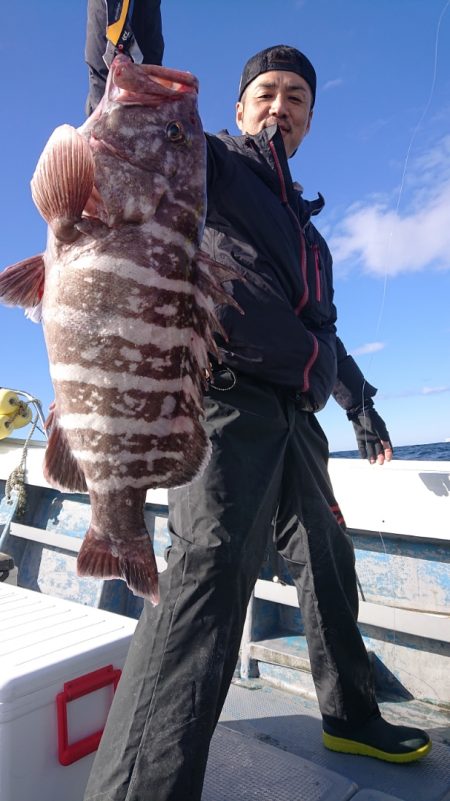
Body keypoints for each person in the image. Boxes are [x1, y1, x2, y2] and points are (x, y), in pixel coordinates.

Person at [83, 3, 431, 800]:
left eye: (298, 96)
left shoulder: (311, 237)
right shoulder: (207, 163)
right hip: (226, 407)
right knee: (206, 586)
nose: (282, 105)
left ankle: (348, 712)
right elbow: (125, 103)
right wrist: (122, 23)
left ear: (312, 116)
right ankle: (139, 788)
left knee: (331, 563)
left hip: (297, 421)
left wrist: (362, 405)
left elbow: (324, 333)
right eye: (267, 92)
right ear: (240, 108)